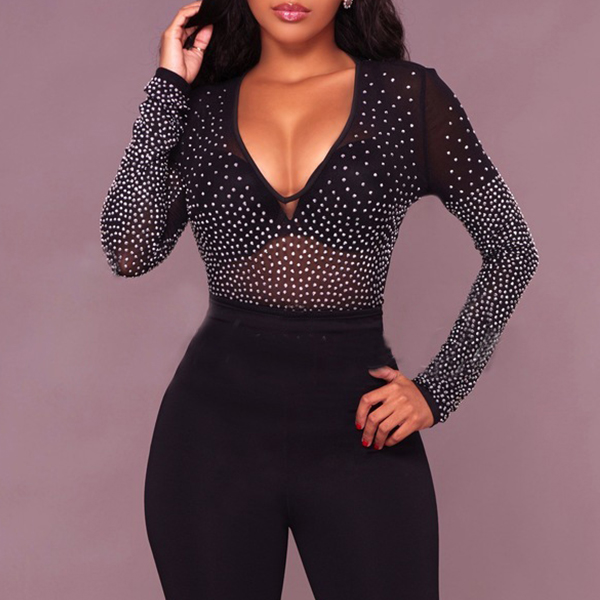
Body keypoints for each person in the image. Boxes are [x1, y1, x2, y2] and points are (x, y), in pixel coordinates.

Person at [99, 1, 540, 598]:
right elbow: (129, 250)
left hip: (361, 435)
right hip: (209, 439)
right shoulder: (198, 109)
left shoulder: (406, 97)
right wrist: (167, 89)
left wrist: (438, 391)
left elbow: (512, 248)